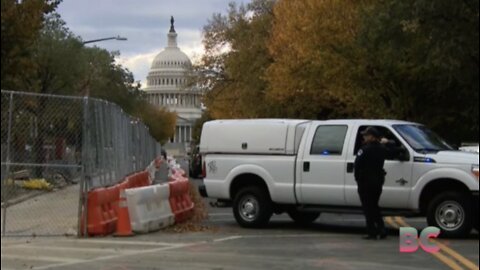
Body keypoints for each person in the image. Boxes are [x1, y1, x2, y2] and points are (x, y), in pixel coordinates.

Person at [354, 127, 388, 240]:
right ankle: (381, 228)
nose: (364, 137)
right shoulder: (382, 148)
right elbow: (393, 149)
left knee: (368, 207)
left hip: (366, 182)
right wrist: (386, 141)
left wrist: (357, 179)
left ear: (372, 137)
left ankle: (371, 231)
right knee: (374, 205)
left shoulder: (364, 149)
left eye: (366, 135)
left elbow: (357, 165)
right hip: (378, 181)